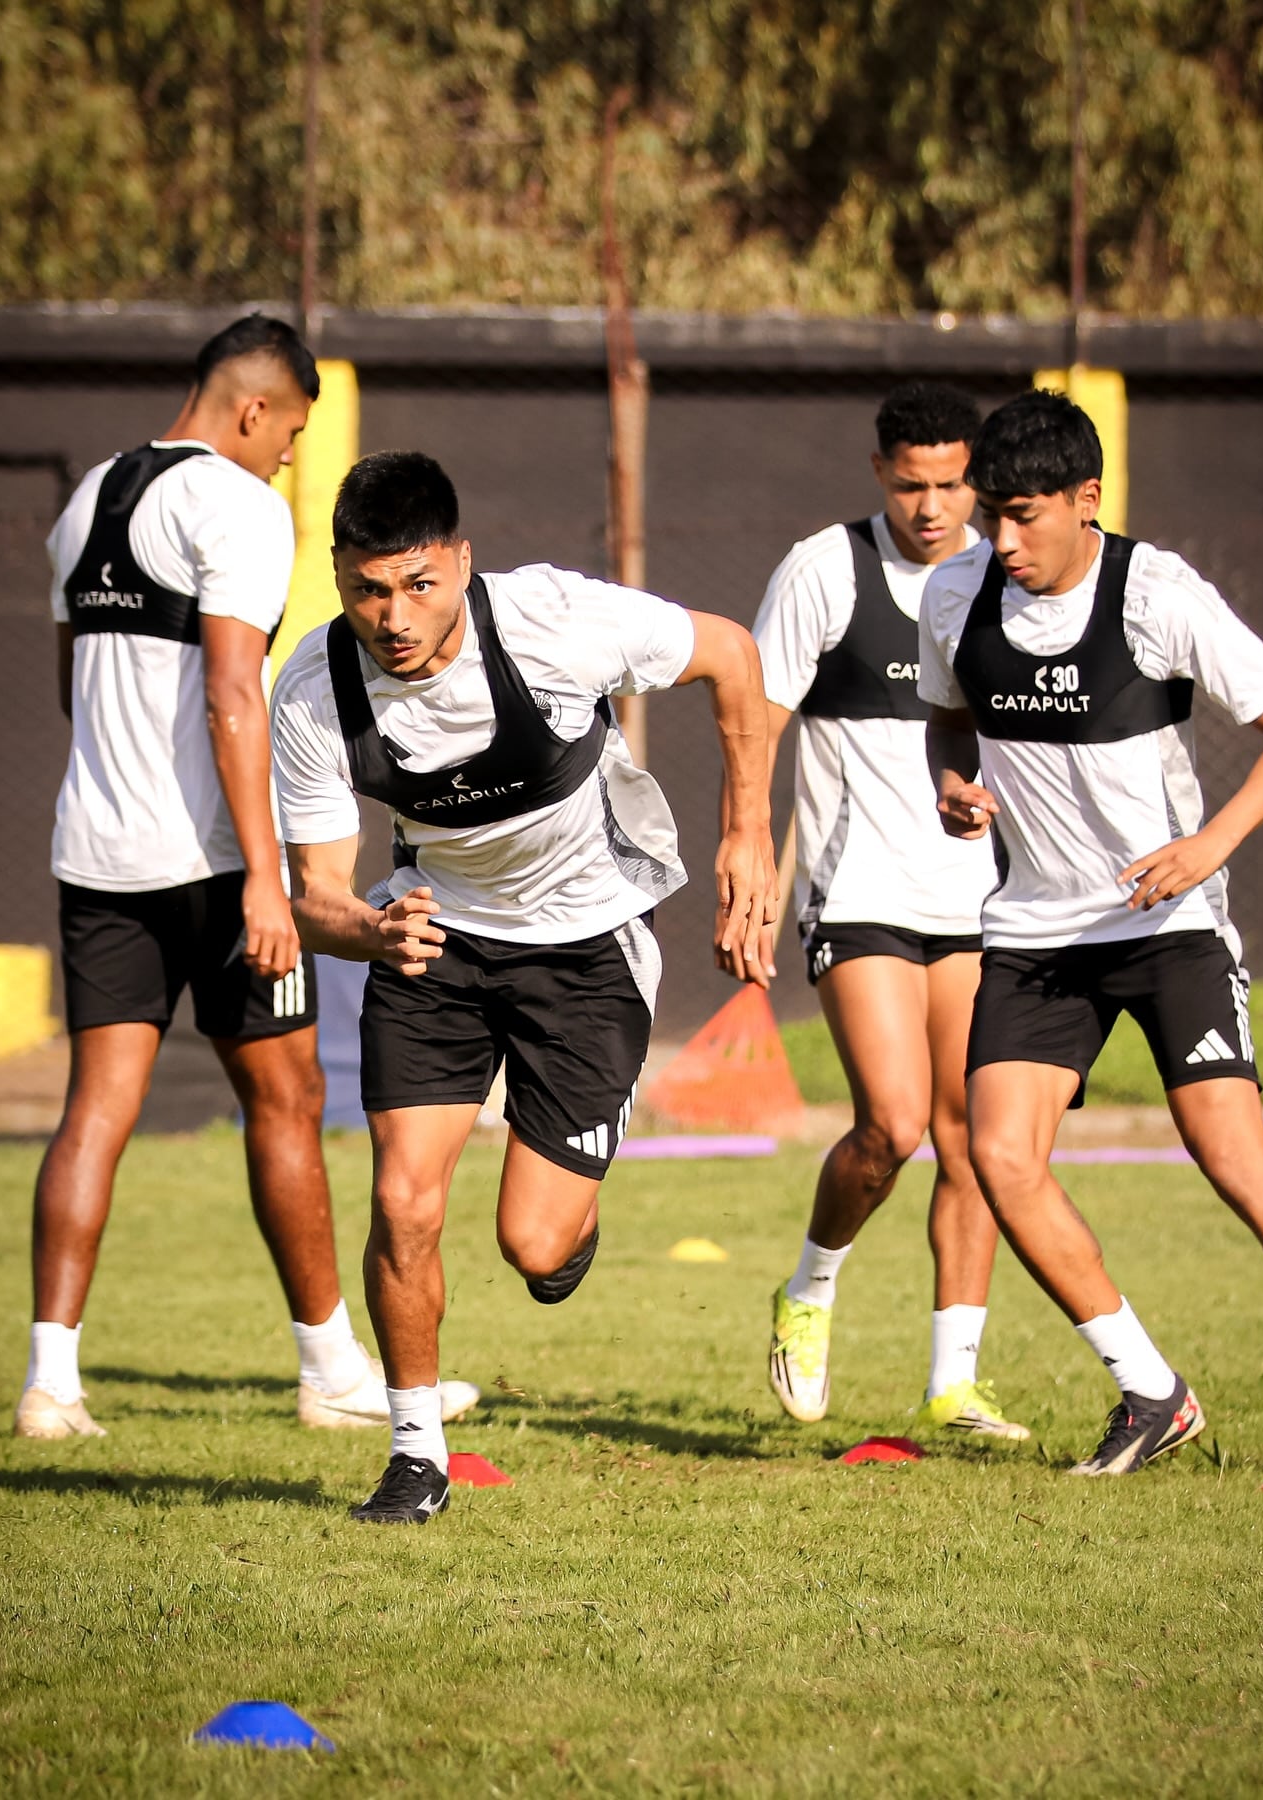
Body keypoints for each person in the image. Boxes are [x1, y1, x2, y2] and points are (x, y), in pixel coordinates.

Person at [270, 450, 776, 1525]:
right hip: (437, 936)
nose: (393, 615)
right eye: (367, 588)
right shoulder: (314, 688)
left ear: (459, 562)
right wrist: (371, 928)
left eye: (417, 584)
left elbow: (733, 656)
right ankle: (416, 1457)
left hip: (590, 944)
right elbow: (315, 893)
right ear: (336, 577)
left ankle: (572, 1218)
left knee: (534, 1246)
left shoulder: (553, 622)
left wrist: (748, 837)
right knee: (404, 1197)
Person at [918, 387, 1263, 1481]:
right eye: (989, 512)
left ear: (1088, 500)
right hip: (1038, 933)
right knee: (1000, 1160)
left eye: (1027, 515)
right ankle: (1151, 1391)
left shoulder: (1157, 593)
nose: (1003, 539)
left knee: (1234, 1159)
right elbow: (949, 716)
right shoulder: (955, 593)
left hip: (1170, 921)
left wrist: (1210, 846)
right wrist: (955, 783)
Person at [20, 315, 477, 1441]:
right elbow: (234, 693)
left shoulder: (86, 502)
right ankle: (329, 1372)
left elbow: (70, 687)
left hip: (95, 853)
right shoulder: (238, 506)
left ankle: (50, 1384)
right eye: (291, 436)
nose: (287, 458)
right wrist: (267, 882)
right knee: (286, 1103)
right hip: (218, 866)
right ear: (254, 410)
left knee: (95, 1112)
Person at [723, 380, 1027, 1441]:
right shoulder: (824, 571)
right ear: (879, 475)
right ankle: (810, 1291)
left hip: (983, 901)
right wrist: (750, 849)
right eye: (912, 486)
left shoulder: (1008, 573)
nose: (933, 507)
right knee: (892, 1126)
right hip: (858, 894)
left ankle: (953, 1382)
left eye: (952, 485)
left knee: (976, 1141)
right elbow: (754, 721)